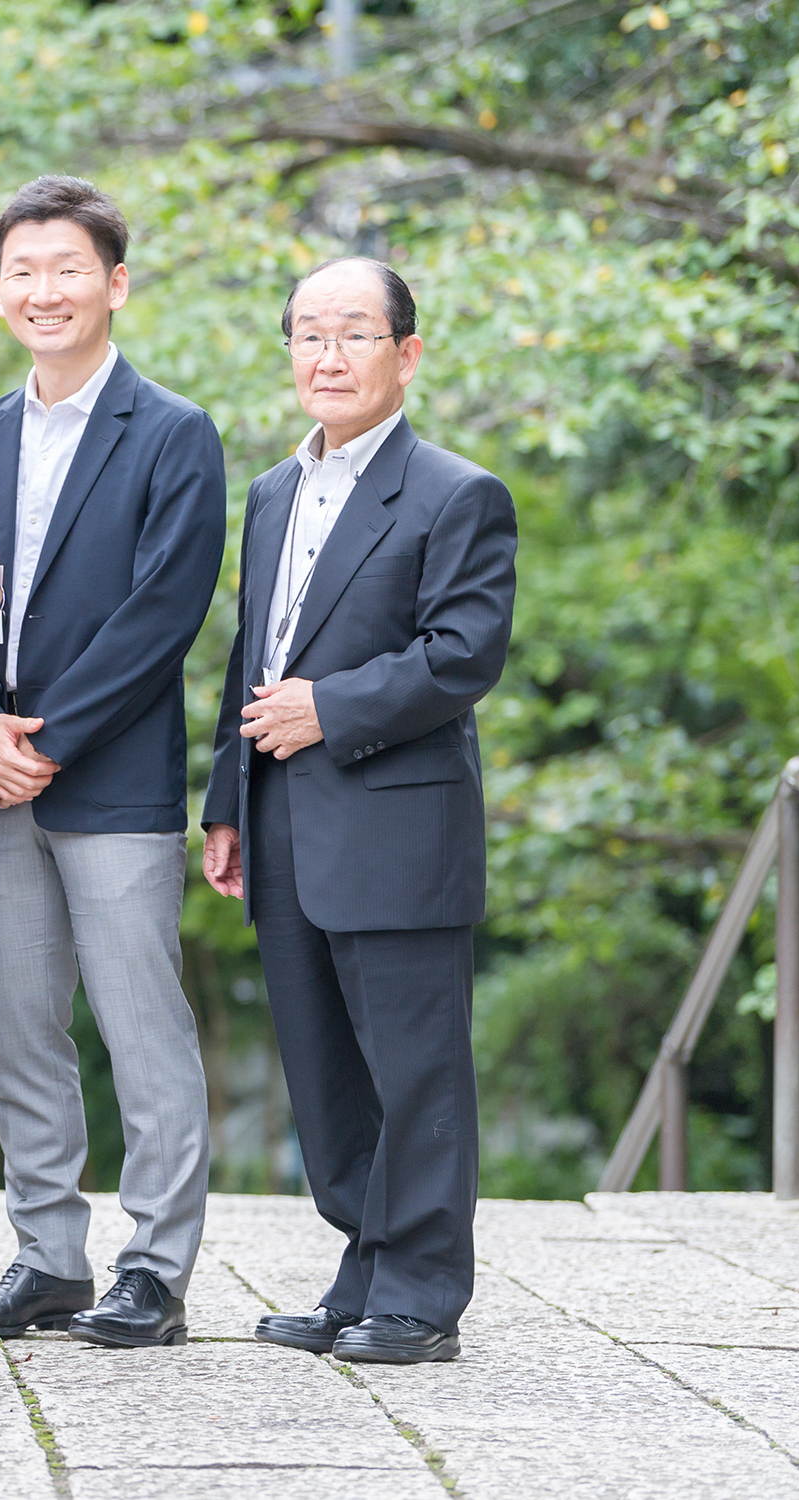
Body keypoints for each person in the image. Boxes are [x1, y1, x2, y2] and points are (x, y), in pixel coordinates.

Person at [201, 257, 515, 1365]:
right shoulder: (273, 491)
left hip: (394, 822)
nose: (325, 357)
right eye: (306, 336)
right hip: (281, 818)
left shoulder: (455, 492)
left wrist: (328, 710)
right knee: (326, 1074)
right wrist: (225, 801)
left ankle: (422, 1296)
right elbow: (255, 655)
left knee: (413, 1068)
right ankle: (363, 1270)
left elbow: (461, 655)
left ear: (406, 353)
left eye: (352, 335)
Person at [0, 176, 227, 1349]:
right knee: (19, 1027)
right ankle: (48, 1258)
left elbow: (164, 616)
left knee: (139, 1023)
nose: (42, 291)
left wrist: (38, 740)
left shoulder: (170, 432)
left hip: (107, 780)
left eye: (66, 270)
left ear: (114, 284)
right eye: (21, 271)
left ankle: (155, 1268)